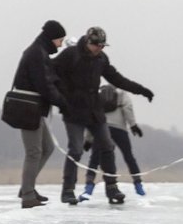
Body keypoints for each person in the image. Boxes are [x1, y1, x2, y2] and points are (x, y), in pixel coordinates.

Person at [51, 27, 153, 205]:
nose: (99, 48)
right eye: (96, 45)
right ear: (88, 42)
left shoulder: (101, 59)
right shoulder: (70, 55)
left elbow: (117, 79)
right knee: (75, 149)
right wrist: (61, 98)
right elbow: (50, 73)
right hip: (73, 110)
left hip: (95, 111)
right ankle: (67, 190)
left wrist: (141, 90)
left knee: (107, 146)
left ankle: (112, 188)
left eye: (102, 46)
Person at [6, 20, 71, 207]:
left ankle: (27, 187)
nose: (60, 44)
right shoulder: (36, 53)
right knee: (34, 151)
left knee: (47, 147)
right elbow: (44, 85)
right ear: (52, 38)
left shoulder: (40, 52)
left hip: (35, 108)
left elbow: (51, 80)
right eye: (60, 40)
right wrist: (62, 103)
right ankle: (27, 195)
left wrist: (63, 97)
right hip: (28, 109)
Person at [81, 83, 150, 199]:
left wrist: (88, 138)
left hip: (101, 128)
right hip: (119, 129)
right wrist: (133, 125)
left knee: (95, 158)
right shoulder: (121, 94)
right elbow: (127, 108)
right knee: (128, 156)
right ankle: (138, 185)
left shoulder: (97, 96)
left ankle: (88, 187)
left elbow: (91, 115)